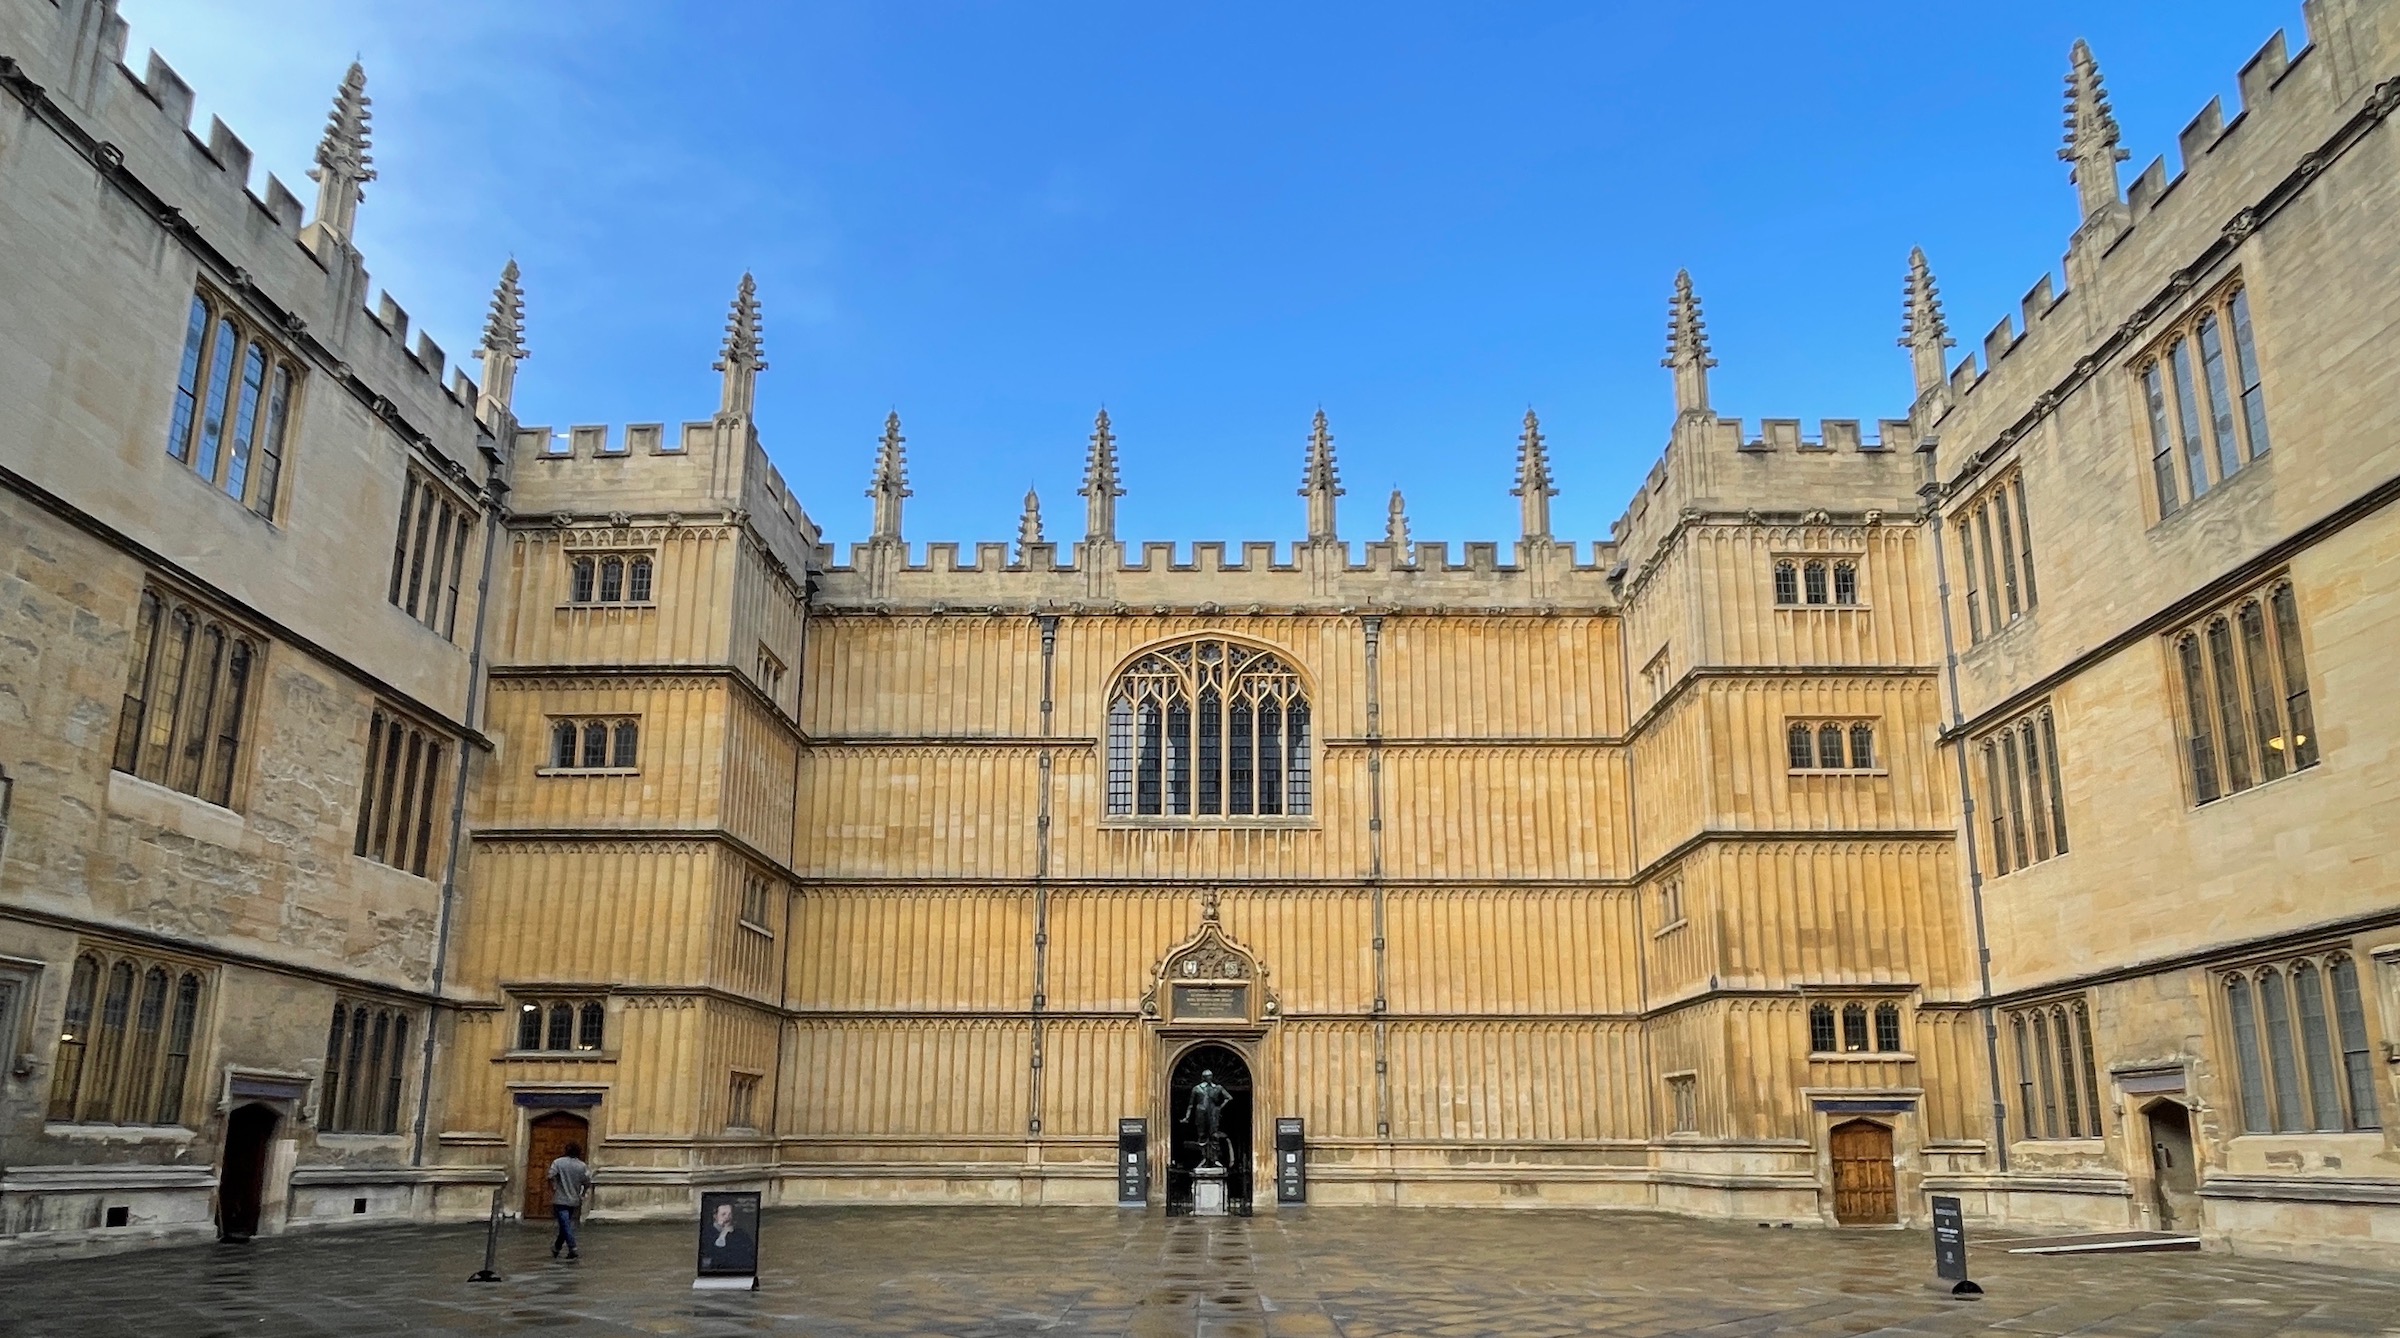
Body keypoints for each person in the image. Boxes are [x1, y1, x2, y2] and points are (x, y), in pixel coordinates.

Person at [546, 1142, 592, 1260]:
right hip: (574, 1200)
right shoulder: (582, 1166)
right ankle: (557, 1247)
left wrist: (554, 1187)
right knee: (565, 1224)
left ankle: (573, 1247)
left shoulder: (558, 1162)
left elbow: (550, 1176)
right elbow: (587, 1182)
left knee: (565, 1224)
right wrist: (582, 1194)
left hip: (560, 1199)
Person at [698, 1199, 756, 1274]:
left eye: (730, 1214)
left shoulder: (741, 1234)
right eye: (723, 1214)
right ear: (715, 1216)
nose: (727, 1218)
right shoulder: (707, 1234)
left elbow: (749, 1256)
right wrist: (723, 1233)